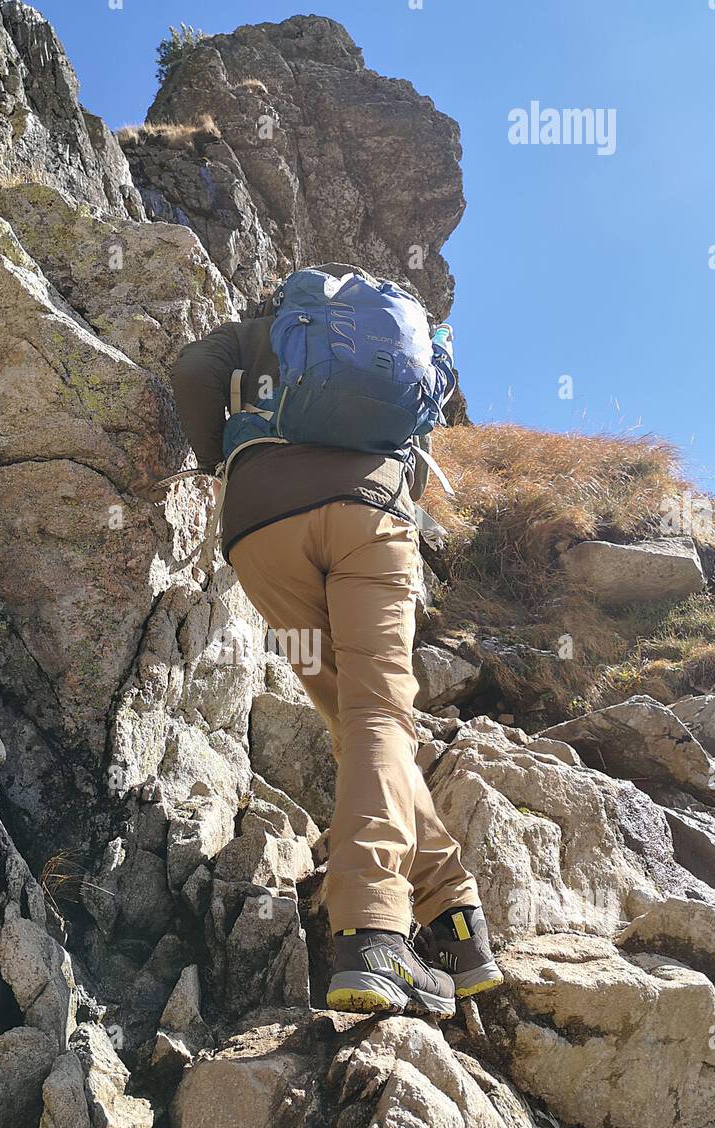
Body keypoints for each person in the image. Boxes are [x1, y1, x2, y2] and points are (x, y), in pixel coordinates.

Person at [171, 263, 502, 1019]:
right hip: (367, 522)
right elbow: (428, 421)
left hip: (262, 534)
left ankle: (453, 919)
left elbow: (192, 368)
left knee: (356, 721)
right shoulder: (398, 349)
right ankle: (373, 932)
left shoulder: (258, 332)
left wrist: (216, 459)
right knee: (380, 716)